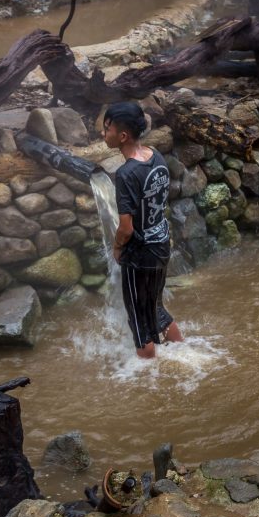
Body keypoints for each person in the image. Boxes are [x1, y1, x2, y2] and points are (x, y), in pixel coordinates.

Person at [101, 102, 184, 358]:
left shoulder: (126, 174)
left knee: (139, 320)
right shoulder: (155, 155)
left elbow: (126, 227)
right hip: (161, 245)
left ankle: (151, 381)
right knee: (156, 307)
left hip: (140, 255)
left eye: (107, 129)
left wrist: (117, 248)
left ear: (122, 136)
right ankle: (185, 352)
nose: (104, 134)